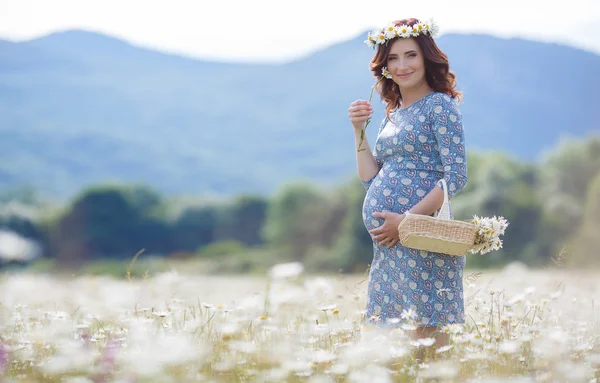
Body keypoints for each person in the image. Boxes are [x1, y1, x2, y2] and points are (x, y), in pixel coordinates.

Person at [347, 18, 468, 347]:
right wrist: (359, 131)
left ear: (427, 57)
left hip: (419, 235)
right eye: (393, 58)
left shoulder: (439, 107)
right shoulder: (393, 113)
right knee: (396, 338)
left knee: (427, 331)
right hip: (389, 242)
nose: (402, 66)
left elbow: (455, 176)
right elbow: (371, 177)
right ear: (384, 66)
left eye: (411, 55)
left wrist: (407, 221)